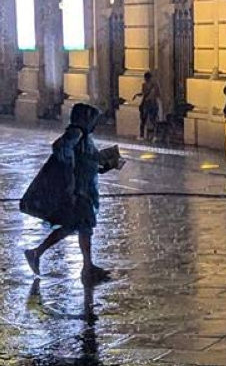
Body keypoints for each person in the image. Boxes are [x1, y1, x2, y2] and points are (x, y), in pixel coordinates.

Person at [22, 103, 117, 284]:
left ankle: (42, 254)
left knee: (77, 227)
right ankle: (84, 267)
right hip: (79, 190)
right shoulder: (77, 133)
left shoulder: (85, 137)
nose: (95, 124)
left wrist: (105, 165)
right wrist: (70, 172)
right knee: (80, 227)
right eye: (92, 119)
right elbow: (61, 148)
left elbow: (87, 161)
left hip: (86, 189)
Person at [132, 71, 161, 140]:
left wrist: (136, 95)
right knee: (153, 120)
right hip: (154, 104)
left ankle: (142, 135)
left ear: (145, 78)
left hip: (146, 105)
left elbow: (143, 94)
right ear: (151, 78)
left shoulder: (144, 85)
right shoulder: (155, 85)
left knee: (143, 120)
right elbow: (158, 95)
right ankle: (155, 136)